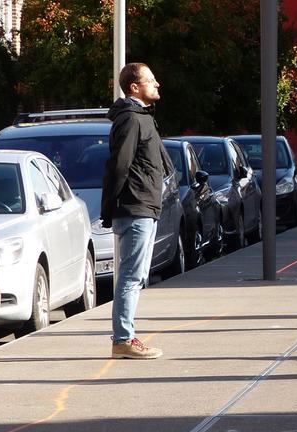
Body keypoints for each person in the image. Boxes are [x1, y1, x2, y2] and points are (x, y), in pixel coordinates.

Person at [101, 62, 171, 359]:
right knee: (131, 276)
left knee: (136, 275)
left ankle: (125, 336)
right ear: (134, 87)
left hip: (144, 206)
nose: (157, 84)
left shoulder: (142, 117)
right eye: (151, 80)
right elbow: (120, 165)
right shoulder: (131, 118)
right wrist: (110, 207)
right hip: (135, 207)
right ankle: (123, 339)